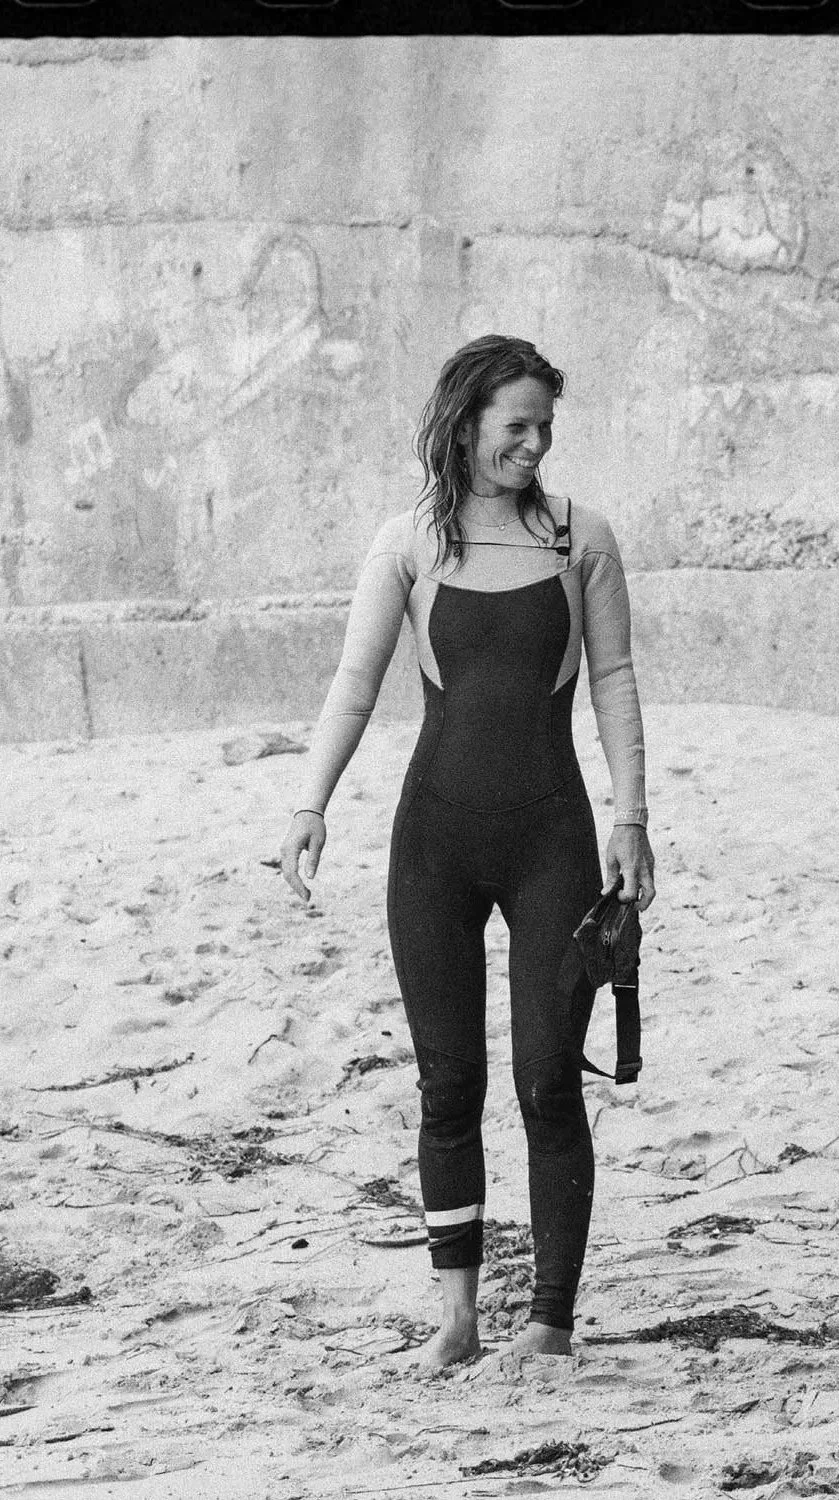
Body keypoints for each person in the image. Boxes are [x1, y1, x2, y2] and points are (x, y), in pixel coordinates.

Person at [277, 335, 656, 1372]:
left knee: (546, 1082)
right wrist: (311, 804)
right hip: (433, 843)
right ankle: (456, 1317)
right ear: (465, 425)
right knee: (448, 1083)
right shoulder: (408, 542)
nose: (535, 446)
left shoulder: (583, 538)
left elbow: (615, 679)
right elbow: (354, 682)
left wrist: (632, 820)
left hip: (554, 842)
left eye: (545, 428)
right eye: (515, 428)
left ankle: (550, 1322)